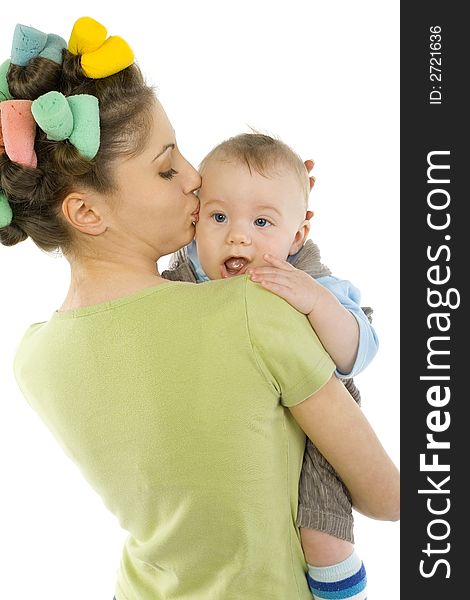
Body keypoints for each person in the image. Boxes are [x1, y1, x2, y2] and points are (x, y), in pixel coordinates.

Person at [1, 17, 399, 600]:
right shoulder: (252, 309)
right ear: (86, 213)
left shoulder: (32, 358)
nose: (194, 179)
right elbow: (386, 498)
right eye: (167, 168)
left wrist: (251, 207)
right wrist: (277, 227)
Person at [162, 132, 378, 598]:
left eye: (263, 221)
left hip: (313, 424)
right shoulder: (186, 275)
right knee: (182, 522)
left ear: (297, 236)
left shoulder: (312, 281)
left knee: (322, 536)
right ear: (196, 220)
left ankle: (341, 586)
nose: (237, 234)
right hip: (222, 421)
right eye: (219, 216)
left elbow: (356, 353)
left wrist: (316, 303)